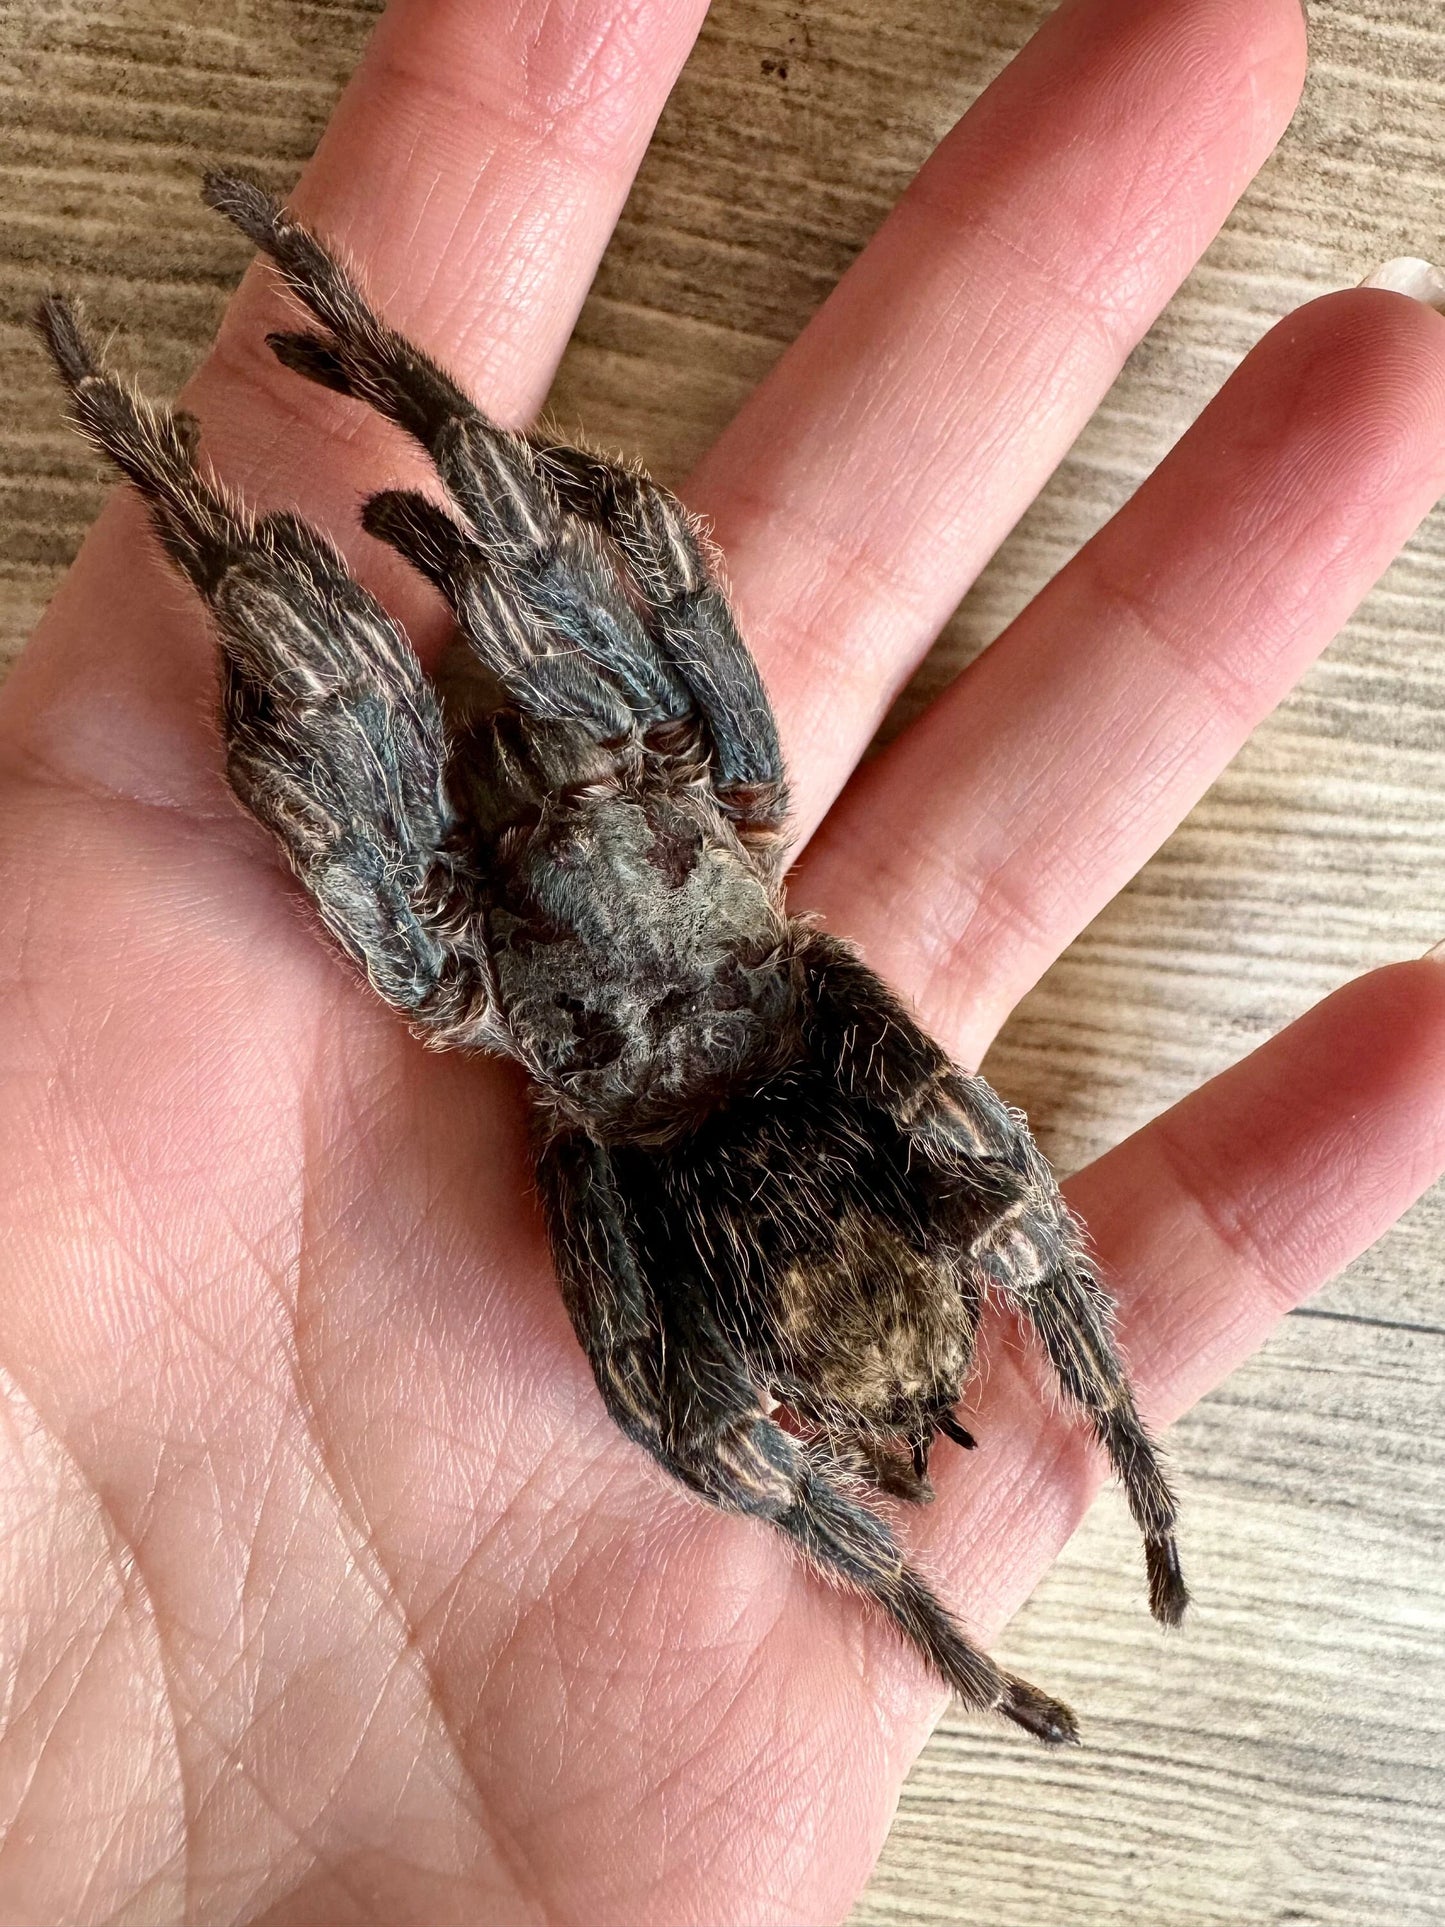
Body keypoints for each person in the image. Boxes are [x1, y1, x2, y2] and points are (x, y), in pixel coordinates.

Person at [1, 0, 1442, 1918]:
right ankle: (239, 421)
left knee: (338, 676)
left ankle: (176, 454)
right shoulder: (693, 794)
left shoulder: (550, 910)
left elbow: (658, 551)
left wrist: (972, 1563)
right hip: (674, 955)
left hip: (686, 1084)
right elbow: (661, 558)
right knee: (391, 655)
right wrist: (513, 503)